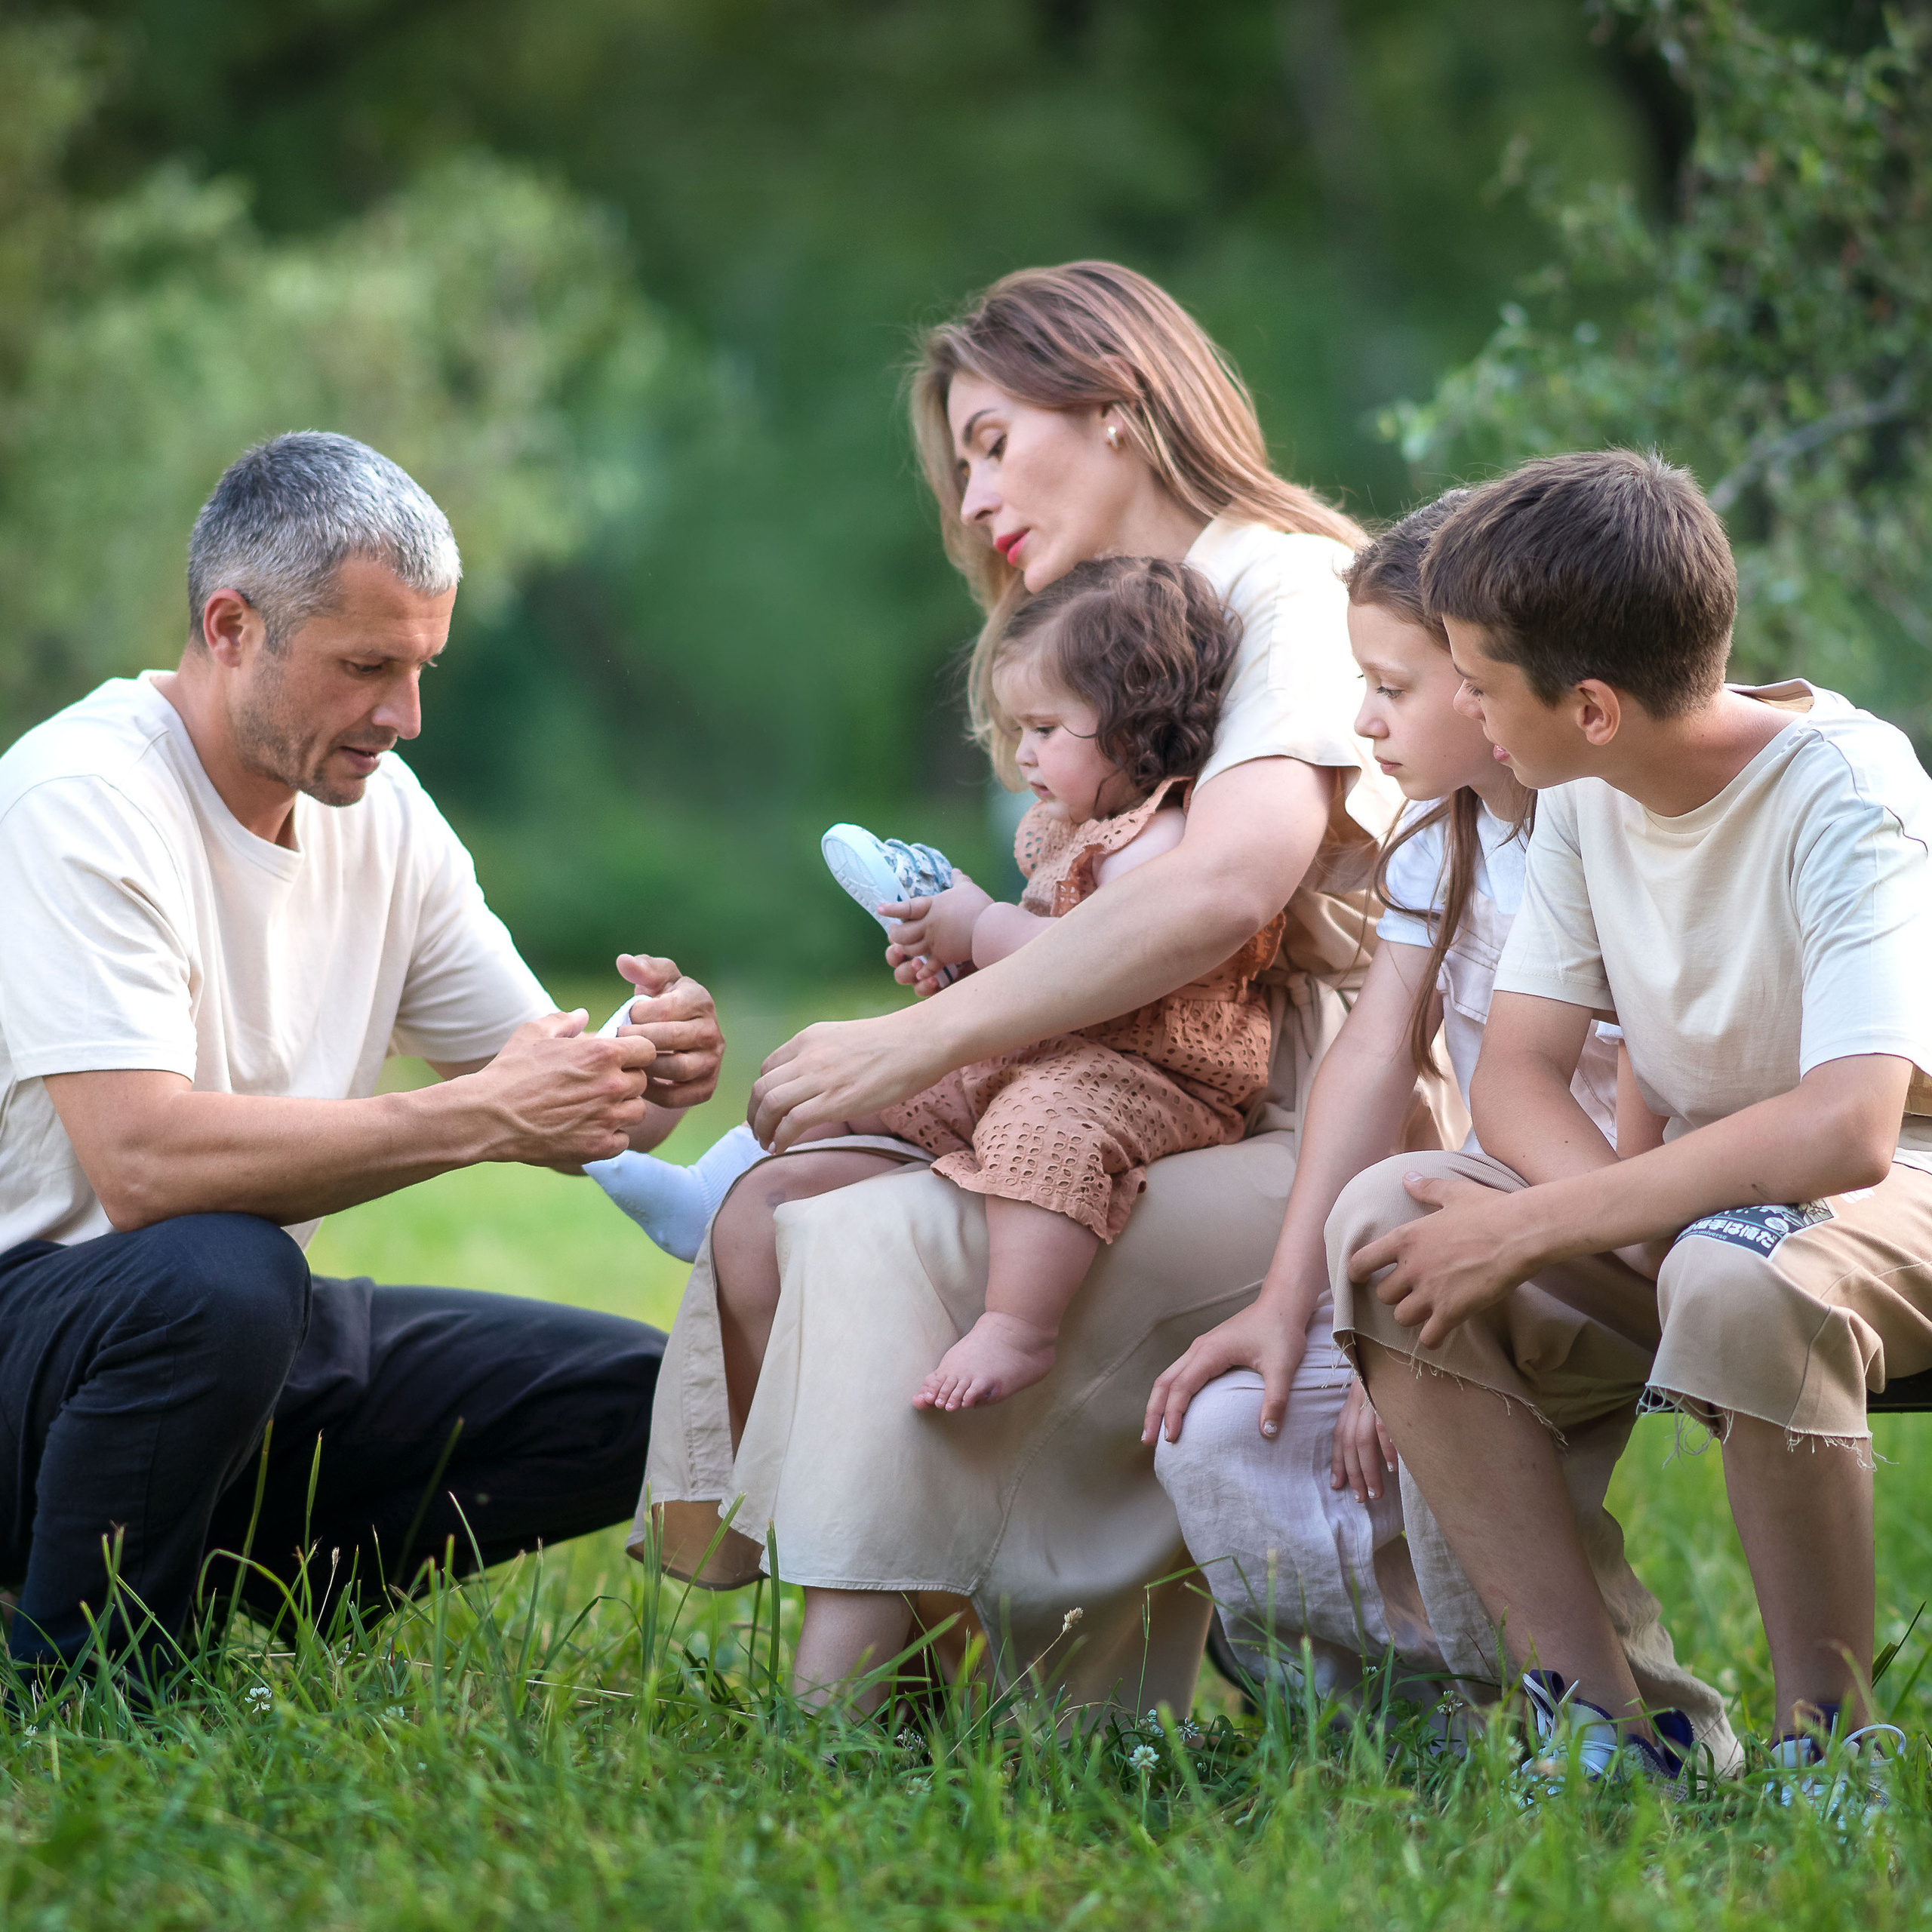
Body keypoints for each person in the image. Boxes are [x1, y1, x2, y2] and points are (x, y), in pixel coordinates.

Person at [638, 262, 1457, 1715]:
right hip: (1123, 1074)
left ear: (1121, 406)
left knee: (874, 1238)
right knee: (766, 1222)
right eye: (958, 466)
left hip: (1298, 1105)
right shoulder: (1083, 621)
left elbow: (1222, 890)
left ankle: (977, 1692)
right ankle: (944, 1673)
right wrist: (962, 948)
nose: (969, 500)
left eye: (993, 443)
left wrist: (918, 1043)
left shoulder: (1282, 577)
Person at [0, 432, 724, 1684]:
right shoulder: (78, 798)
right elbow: (144, 1167)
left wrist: (636, 1067)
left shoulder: (380, 809)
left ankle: (228, 1567)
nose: (406, 715)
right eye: (367, 667)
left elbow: (546, 1088)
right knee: (221, 1274)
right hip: (49, 1327)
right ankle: (84, 1673)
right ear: (231, 627)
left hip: (222, 1342)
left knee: (640, 1400)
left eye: (424, 665)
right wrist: (488, 1117)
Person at [1334, 450, 1931, 1780]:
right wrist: (1629, 1228)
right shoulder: (1591, 803)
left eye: (1481, 689)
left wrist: (1575, 1225)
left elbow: (1848, 1123)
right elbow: (1517, 1077)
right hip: (1703, 1213)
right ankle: (1608, 1725)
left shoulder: (1848, 789)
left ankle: (1828, 1748)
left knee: (1738, 1270)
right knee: (1386, 1221)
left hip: (1893, 1179)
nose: (1474, 721)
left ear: (1591, 707)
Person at [1140, 497, 1734, 1770]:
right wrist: (1295, 1303)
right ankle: (1408, 1719)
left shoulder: (1618, 837)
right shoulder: (1445, 840)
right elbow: (1370, 1058)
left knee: (1409, 1376)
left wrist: (1399, 1326)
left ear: (1486, 688)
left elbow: (1655, 1103)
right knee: (1230, 1422)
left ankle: (1637, 1726)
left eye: (1394, 687)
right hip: (1487, 1208)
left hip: (1632, 1227)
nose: (1364, 721)